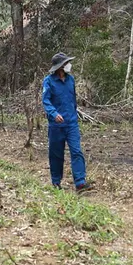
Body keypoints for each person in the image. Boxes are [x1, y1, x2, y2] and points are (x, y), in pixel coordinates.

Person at [42, 52, 91, 193]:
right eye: (65, 63)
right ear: (60, 67)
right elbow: (46, 100)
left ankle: (80, 183)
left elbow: (73, 100)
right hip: (56, 125)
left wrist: (74, 115)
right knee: (56, 154)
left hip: (71, 123)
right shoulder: (49, 81)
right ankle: (56, 182)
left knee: (76, 151)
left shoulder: (71, 80)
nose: (68, 65)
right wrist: (54, 113)